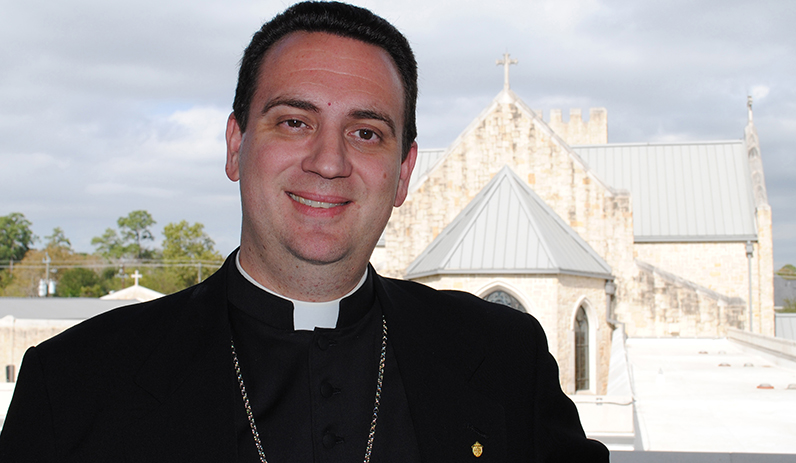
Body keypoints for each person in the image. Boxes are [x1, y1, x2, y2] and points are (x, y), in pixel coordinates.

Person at [0, 2, 609, 462]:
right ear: (237, 146)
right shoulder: (75, 383)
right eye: (294, 122)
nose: (329, 160)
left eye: (366, 132)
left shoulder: (504, 359)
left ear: (403, 174)